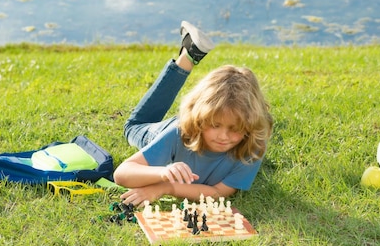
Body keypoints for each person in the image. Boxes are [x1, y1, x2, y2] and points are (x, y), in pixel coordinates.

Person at [113, 21, 273, 206]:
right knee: (133, 126)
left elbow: (217, 192)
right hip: (165, 131)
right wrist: (163, 172)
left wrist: (166, 187)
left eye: (235, 128)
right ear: (200, 119)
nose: (223, 136)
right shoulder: (177, 133)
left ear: (249, 127)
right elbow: (122, 174)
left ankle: (190, 53)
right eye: (215, 125)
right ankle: (187, 58)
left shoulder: (254, 146)